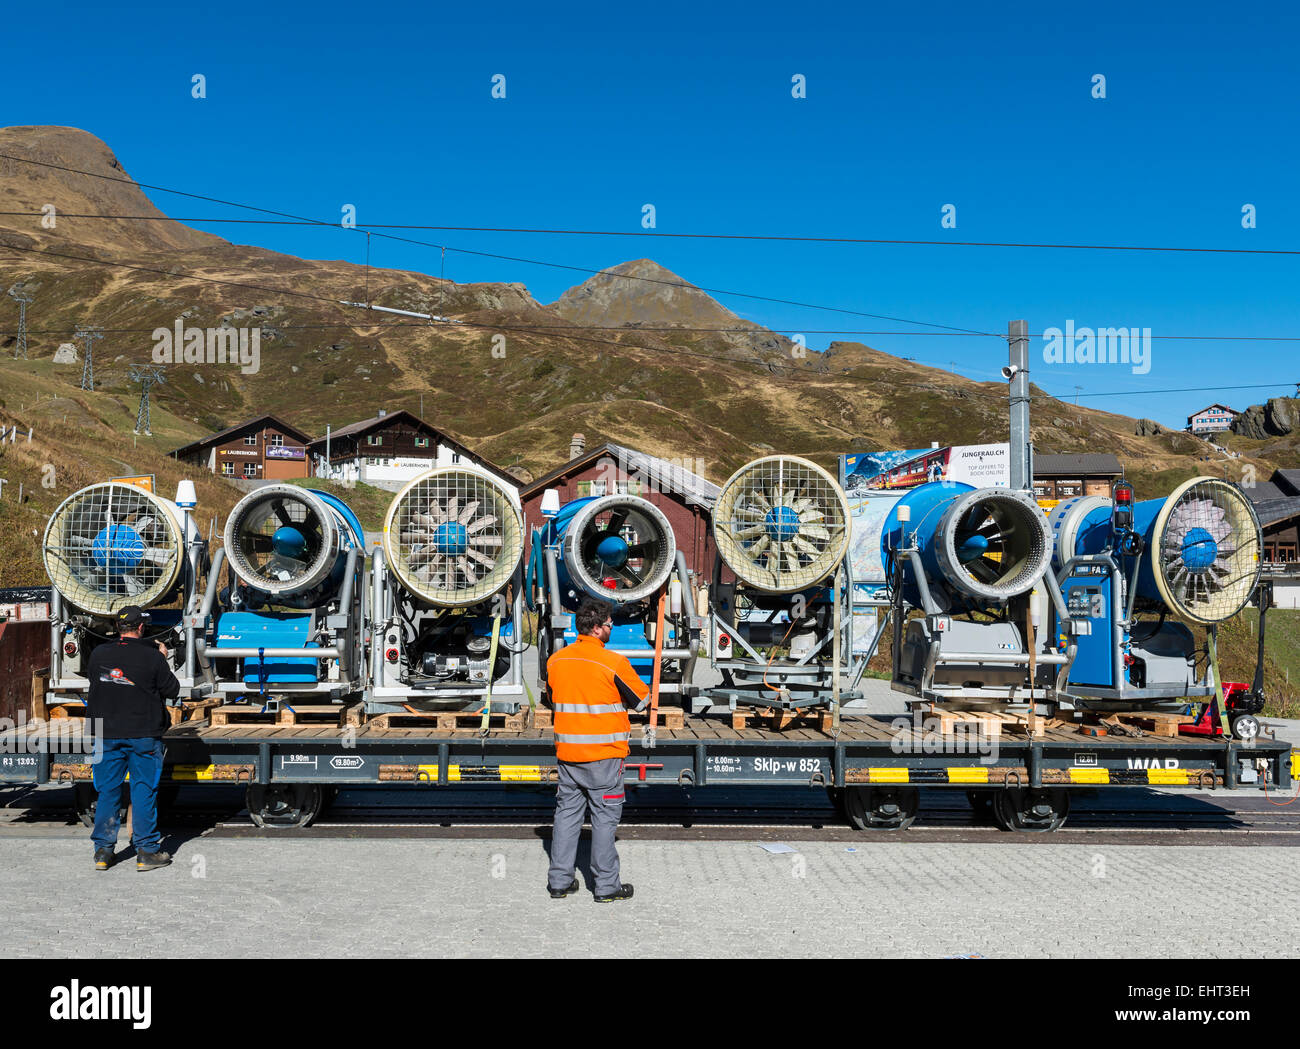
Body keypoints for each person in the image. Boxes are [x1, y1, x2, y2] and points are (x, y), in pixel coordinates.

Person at [545, 598, 649, 902]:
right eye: (608, 624)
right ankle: (606, 887)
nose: (611, 627)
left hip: (568, 756)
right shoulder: (613, 663)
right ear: (595, 628)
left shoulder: (556, 661)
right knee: (604, 821)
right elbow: (641, 702)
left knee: (566, 817)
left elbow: (554, 698)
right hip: (604, 757)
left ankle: (559, 882)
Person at [85, 605, 179, 871]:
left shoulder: (98, 654)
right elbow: (171, 689)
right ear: (141, 627)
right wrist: (163, 658)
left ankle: (103, 852)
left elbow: (98, 683)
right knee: (143, 790)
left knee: (107, 791)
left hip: (106, 733)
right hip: (142, 734)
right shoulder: (152, 657)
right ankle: (147, 851)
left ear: (118, 628)